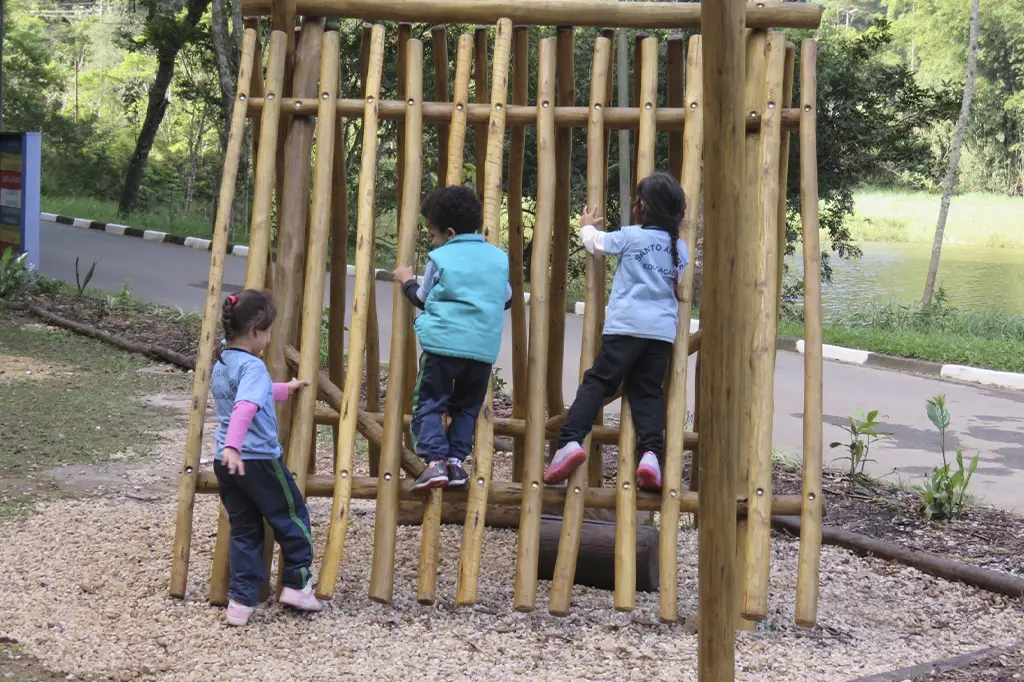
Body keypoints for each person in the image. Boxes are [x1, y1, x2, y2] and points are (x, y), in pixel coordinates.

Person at [543, 172, 690, 492]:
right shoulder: (680, 248)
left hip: (626, 327)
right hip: (661, 333)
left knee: (597, 382)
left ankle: (569, 443)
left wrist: (585, 225)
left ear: (641, 208)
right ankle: (651, 455)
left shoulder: (631, 236)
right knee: (648, 391)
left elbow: (595, 243)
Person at [211, 289, 323, 627]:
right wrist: (235, 445)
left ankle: (240, 603)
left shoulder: (222, 358)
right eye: (269, 331)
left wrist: (283, 389)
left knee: (245, 529)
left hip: (225, 462)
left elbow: (243, 394)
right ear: (255, 331)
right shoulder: (254, 365)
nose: (270, 337)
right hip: (255, 459)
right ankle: (296, 583)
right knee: (292, 516)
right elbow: (245, 405)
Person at [392, 185, 512, 493]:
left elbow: (422, 297)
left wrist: (406, 280)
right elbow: (506, 298)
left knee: (429, 403)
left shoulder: (441, 257)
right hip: (482, 352)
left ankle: (434, 463)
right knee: (466, 408)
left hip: (443, 347)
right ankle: (456, 463)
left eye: (433, 234)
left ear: (448, 231)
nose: (433, 241)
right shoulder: (499, 259)